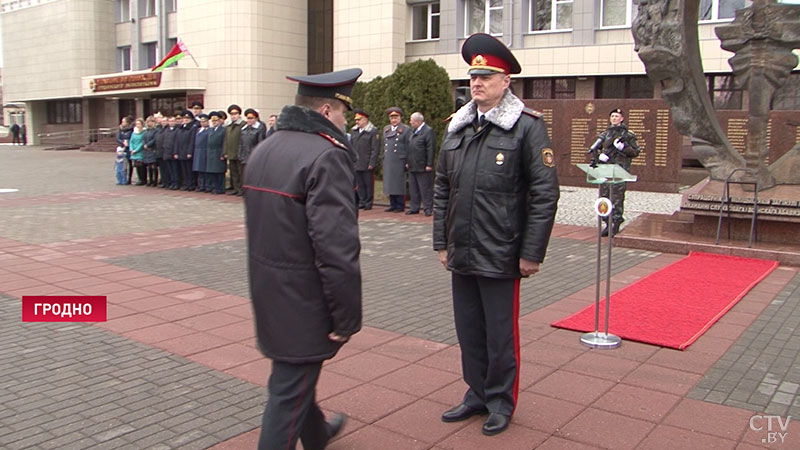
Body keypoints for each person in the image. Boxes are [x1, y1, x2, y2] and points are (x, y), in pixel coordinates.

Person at [433, 33, 559, 437]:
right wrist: (441, 241)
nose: (477, 82)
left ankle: (501, 401)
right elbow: (441, 187)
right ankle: (477, 393)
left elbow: (544, 193)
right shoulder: (457, 127)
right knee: (469, 329)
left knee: (500, 333)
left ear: (506, 81)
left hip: (503, 251)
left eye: (486, 76)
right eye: (473, 76)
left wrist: (531, 251)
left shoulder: (527, 128)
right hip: (463, 249)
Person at [243, 67, 363, 450]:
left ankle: (316, 433)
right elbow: (336, 248)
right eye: (344, 112)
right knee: (288, 390)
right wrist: (346, 318)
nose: (346, 121)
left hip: (269, 288)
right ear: (327, 111)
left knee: (294, 374)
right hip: (305, 296)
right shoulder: (327, 155)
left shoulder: (266, 148)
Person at [590, 108, 641, 236]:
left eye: (617, 116)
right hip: (605, 170)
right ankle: (607, 222)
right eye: (612, 116)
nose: (614, 118)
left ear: (622, 118)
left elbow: (635, 152)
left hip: (620, 171)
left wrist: (624, 148)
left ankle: (616, 222)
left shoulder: (628, 135)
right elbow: (597, 149)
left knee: (617, 197)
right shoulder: (605, 133)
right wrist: (599, 157)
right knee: (604, 196)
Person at [406, 112, 436, 216]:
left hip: (423, 166)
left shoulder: (428, 131)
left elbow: (430, 149)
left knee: (425, 188)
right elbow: (409, 148)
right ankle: (414, 207)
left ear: (418, 121)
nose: (410, 122)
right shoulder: (412, 131)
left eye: (412, 121)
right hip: (412, 165)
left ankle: (428, 208)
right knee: (413, 188)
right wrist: (407, 161)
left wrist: (429, 164)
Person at [350, 108, 380, 210]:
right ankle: (362, 201)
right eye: (356, 120)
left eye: (359, 120)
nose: (357, 122)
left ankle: (369, 202)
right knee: (359, 184)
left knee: (368, 184)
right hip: (357, 162)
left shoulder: (372, 131)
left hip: (367, 162)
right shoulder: (354, 131)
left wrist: (372, 162)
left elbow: (374, 149)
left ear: (365, 120)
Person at [381, 107, 409, 212]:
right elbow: (384, 145)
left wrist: (407, 161)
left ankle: (400, 205)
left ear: (400, 118)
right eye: (392, 118)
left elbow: (408, 146)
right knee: (390, 182)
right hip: (389, 159)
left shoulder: (405, 129)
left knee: (398, 183)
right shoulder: (386, 129)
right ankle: (392, 204)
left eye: (396, 118)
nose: (394, 120)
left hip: (399, 159)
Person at [238, 108, 267, 187]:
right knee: (245, 175)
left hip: (254, 155)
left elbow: (260, 143)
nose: (249, 120)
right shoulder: (244, 129)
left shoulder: (259, 128)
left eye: (251, 118)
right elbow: (241, 143)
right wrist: (240, 155)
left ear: (256, 118)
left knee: (254, 175)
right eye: (248, 118)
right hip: (245, 156)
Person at [224, 104, 245, 195]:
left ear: (239, 114)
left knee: (241, 173)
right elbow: (226, 140)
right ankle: (236, 188)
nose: (233, 116)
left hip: (239, 152)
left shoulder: (243, 125)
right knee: (233, 172)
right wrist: (225, 151)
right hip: (231, 152)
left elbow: (243, 140)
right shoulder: (228, 126)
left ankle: (241, 189)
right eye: (232, 114)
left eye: (235, 114)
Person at [206, 111, 227, 194]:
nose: (214, 122)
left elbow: (224, 142)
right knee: (212, 172)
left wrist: (223, 153)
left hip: (218, 152)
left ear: (219, 121)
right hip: (211, 152)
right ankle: (214, 187)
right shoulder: (211, 130)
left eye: (216, 121)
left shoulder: (223, 130)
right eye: (213, 121)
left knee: (219, 172)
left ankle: (220, 188)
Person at [176, 110, 197, 190]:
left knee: (189, 170)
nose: (186, 120)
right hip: (181, 152)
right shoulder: (181, 128)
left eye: (187, 118)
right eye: (184, 118)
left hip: (187, 152)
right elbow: (177, 141)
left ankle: (191, 184)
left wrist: (189, 152)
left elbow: (192, 141)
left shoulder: (192, 128)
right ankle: (185, 183)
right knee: (184, 170)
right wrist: (176, 152)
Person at [193, 113, 211, 192]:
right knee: (199, 170)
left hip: (204, 151)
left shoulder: (209, 130)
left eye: (204, 122)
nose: (203, 123)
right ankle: (201, 185)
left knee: (205, 170)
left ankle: (207, 186)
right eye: (201, 122)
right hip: (198, 151)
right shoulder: (198, 130)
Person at [142, 115, 160, 186]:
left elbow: (154, 139)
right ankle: (150, 180)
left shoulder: (156, 131)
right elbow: (143, 138)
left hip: (152, 149)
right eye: (148, 122)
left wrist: (148, 145)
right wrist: (144, 144)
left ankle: (155, 181)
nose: (149, 123)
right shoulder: (146, 131)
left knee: (153, 166)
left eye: (151, 122)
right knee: (148, 166)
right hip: (146, 150)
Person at [116, 116, 134, 185]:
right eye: (122, 122)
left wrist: (128, 142)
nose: (122, 123)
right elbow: (118, 138)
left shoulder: (131, 129)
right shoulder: (120, 129)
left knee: (129, 163)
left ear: (127, 123)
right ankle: (123, 178)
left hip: (129, 148)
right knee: (122, 164)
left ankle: (129, 178)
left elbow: (132, 137)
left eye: (124, 122)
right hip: (122, 148)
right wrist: (122, 142)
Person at [129, 118, 146, 185]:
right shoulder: (134, 132)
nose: (138, 125)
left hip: (140, 151)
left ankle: (143, 179)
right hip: (133, 151)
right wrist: (131, 149)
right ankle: (139, 179)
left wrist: (136, 150)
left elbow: (142, 142)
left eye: (139, 124)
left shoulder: (144, 132)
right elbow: (131, 141)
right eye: (137, 124)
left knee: (141, 166)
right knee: (137, 166)